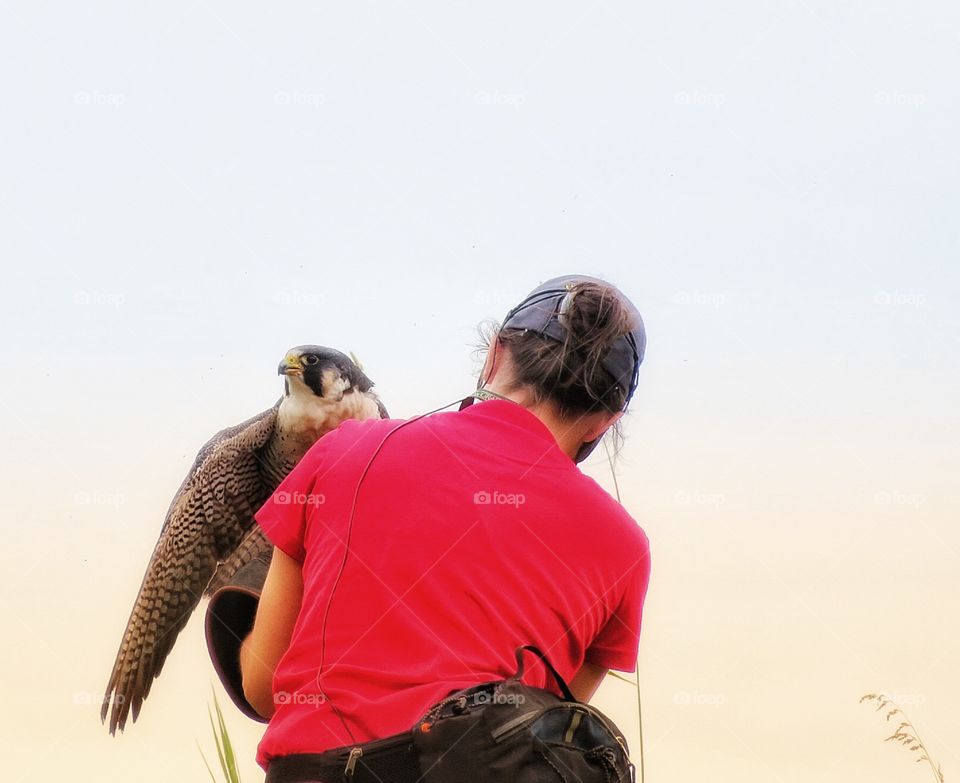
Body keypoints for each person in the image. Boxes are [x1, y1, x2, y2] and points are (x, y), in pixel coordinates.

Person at [239, 274, 651, 781]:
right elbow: (530, 735)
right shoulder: (624, 547)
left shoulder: (345, 451)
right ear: (606, 421)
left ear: (495, 355)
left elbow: (265, 688)